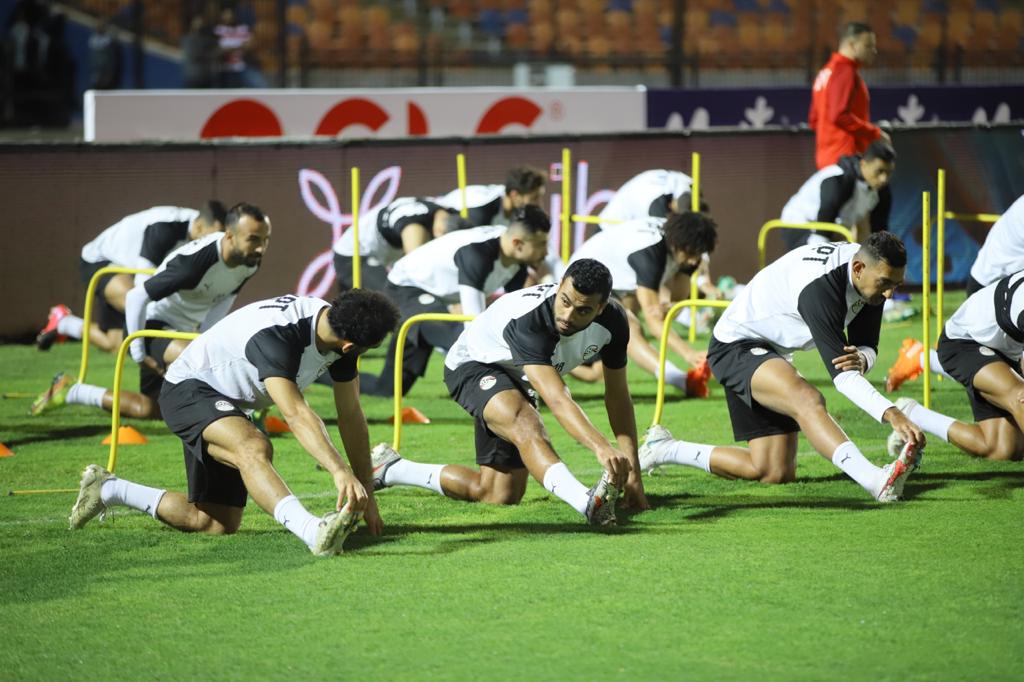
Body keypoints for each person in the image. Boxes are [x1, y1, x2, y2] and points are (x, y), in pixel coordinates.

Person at [68, 289, 401, 556]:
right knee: (253, 446)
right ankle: (313, 532)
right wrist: (339, 471)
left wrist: (368, 494)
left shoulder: (335, 330)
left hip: (230, 402)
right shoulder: (278, 337)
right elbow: (296, 414)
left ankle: (108, 489)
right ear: (350, 346)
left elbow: (351, 415)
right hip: (188, 388)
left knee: (213, 522)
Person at [639, 233, 924, 502]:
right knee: (807, 399)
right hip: (735, 344)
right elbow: (844, 377)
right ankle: (875, 481)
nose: (889, 294)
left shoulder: (870, 273)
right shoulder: (822, 288)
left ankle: (664, 449)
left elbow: (866, 346)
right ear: (858, 268)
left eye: (896, 285)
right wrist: (892, 413)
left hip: (771, 348)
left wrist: (863, 358)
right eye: (885, 283)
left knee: (772, 470)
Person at [371, 258, 644, 525]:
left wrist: (634, 474)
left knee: (497, 493)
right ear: (560, 284)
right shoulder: (530, 321)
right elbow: (557, 399)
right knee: (526, 423)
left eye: (582, 311)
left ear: (601, 307)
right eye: (565, 301)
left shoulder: (614, 322)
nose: (567, 316)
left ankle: (392, 468)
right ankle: (587, 503)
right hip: (473, 364)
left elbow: (618, 396)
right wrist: (601, 447)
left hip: (518, 377)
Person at [30, 203, 268, 420]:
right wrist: (139, 352)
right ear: (229, 236)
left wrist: (206, 339)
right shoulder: (188, 257)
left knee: (150, 408)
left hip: (176, 328)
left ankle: (74, 390)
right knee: (199, 355)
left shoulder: (249, 261)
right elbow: (137, 296)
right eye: (253, 239)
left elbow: (221, 301)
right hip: (141, 310)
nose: (261, 248)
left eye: (265, 240)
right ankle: (246, 409)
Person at [360, 205, 550, 397]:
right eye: (541, 244)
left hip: (435, 298)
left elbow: (518, 315)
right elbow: (473, 325)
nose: (546, 252)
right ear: (518, 243)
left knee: (388, 389)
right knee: (464, 339)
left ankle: (341, 377)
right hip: (405, 290)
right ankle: (502, 398)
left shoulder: (513, 254)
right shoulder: (478, 253)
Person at [36, 202, 227, 353]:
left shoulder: (202, 234)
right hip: (100, 260)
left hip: (128, 269)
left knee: (115, 344)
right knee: (143, 308)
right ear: (199, 226)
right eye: (210, 238)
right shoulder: (164, 228)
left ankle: (64, 322)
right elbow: (142, 286)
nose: (213, 245)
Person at [885, 194, 1021, 391]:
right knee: (1001, 374)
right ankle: (923, 358)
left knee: (1004, 373)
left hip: (1006, 287)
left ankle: (922, 357)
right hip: (994, 289)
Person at [568, 212, 716, 391]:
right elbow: (654, 322)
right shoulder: (650, 252)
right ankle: (681, 380)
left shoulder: (688, 246)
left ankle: (552, 360)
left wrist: (666, 308)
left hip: (616, 283)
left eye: (698, 255)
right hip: (583, 280)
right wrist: (689, 353)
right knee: (628, 327)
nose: (693, 261)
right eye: (691, 254)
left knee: (598, 373)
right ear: (676, 245)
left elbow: (675, 307)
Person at [885, 271, 1024, 462]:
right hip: (964, 342)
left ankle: (914, 413)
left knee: (1002, 449)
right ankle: (924, 358)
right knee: (1020, 396)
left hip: (1005, 348)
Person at [332, 196, 469, 292]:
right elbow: (416, 270)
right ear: (439, 232)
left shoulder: (445, 210)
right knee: (394, 296)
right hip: (353, 256)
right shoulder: (413, 226)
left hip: (384, 251)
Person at [779, 139, 895, 250]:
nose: (884, 179)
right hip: (799, 224)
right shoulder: (839, 179)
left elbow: (876, 230)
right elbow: (824, 222)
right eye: (879, 171)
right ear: (863, 164)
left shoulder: (881, 191)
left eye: (888, 173)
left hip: (832, 228)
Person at [809, 22, 889, 171]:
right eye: (868, 46)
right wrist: (875, 133)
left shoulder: (826, 71)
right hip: (846, 159)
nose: (874, 51)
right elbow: (839, 115)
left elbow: (814, 120)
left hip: (826, 158)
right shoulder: (845, 71)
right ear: (852, 45)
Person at [433, 165, 547, 227]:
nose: (539, 204)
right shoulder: (482, 210)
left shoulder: (514, 209)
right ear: (514, 195)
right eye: (534, 198)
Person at [181, 15, 218, 89]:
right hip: (193, 76)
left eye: (202, 23)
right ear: (192, 25)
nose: (200, 26)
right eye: (197, 23)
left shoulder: (207, 39)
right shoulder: (188, 39)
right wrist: (212, 53)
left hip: (207, 76)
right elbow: (194, 55)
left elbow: (215, 48)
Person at [88, 17, 121, 90]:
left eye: (102, 26)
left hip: (107, 75)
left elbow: (112, 61)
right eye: (99, 26)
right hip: (97, 74)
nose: (99, 28)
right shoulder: (93, 41)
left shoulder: (109, 42)